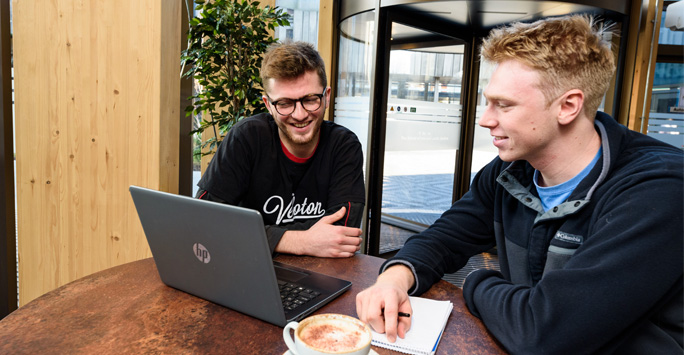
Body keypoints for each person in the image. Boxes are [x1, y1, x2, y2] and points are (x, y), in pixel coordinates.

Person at [356, 15, 683, 354]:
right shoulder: (509, 171)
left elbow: (545, 334)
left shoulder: (658, 189)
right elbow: (444, 238)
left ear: (568, 106)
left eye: (504, 105)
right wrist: (393, 278)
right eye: (488, 101)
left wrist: (475, 281)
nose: (485, 119)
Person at [196, 41, 366, 258]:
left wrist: (248, 234)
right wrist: (303, 241)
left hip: (320, 276)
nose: (300, 114)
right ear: (268, 105)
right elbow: (203, 220)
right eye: (285, 103)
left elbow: (343, 236)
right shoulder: (246, 138)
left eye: (310, 99)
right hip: (246, 268)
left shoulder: (344, 146)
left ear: (326, 96)